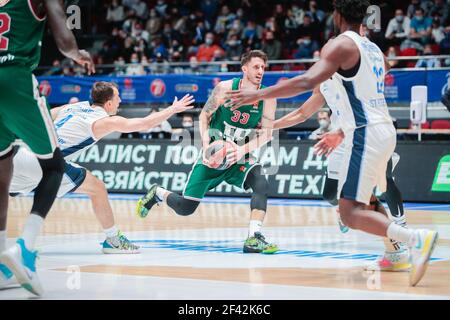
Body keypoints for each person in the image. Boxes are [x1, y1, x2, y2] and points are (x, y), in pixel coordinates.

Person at [225, 0, 438, 287]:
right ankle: (395, 252)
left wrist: (258, 95)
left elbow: (304, 81)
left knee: (349, 211)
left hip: (365, 131)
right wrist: (342, 126)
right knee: (361, 200)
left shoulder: (341, 45)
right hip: (379, 127)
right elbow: (361, 84)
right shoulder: (372, 48)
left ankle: (414, 238)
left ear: (337, 16)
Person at [136, 50, 279, 254]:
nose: (261, 71)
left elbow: (266, 135)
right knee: (186, 208)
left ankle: (253, 237)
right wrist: (206, 144)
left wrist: (240, 151)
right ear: (244, 68)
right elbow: (204, 117)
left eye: (263, 68)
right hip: (214, 155)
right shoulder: (225, 88)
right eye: (256, 67)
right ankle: (158, 192)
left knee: (261, 183)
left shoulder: (267, 97)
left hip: (239, 154)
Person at [0, 0, 95, 296]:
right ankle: (25, 248)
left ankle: (2, 264)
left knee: (2, 172)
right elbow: (65, 42)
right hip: (15, 79)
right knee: (54, 166)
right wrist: (78, 54)